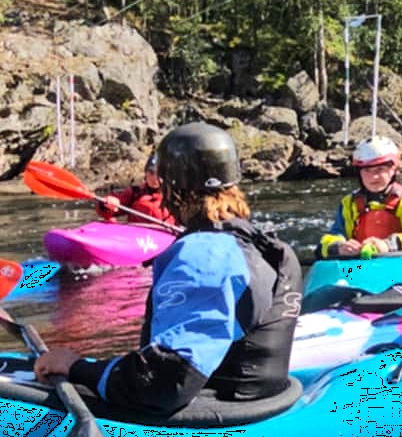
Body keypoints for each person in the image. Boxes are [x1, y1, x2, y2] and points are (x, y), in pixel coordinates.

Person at [33, 122, 303, 418]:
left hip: (215, 423)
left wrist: (77, 367)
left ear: (171, 188)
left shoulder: (206, 253)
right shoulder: (264, 244)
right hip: (255, 401)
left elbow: (166, 382)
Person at [317, 136, 402, 259]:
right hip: (360, 267)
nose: (373, 177)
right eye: (367, 170)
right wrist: (338, 247)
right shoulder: (349, 203)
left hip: (398, 266)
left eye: (380, 169)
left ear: (393, 169)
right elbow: (332, 237)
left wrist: (388, 245)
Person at [97, 153, 178, 228]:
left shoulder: (175, 197)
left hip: (165, 238)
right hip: (137, 238)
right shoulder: (134, 193)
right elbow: (107, 210)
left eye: (159, 174)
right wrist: (105, 205)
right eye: (151, 172)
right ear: (146, 173)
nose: (154, 178)